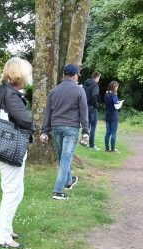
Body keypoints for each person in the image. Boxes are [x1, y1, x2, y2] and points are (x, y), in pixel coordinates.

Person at [0, 57, 36, 249]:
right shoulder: (10, 94)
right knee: (12, 192)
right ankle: (4, 238)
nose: (29, 77)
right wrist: (34, 124)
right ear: (20, 74)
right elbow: (25, 120)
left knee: (15, 191)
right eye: (28, 73)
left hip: (3, 147)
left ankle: (7, 230)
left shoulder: (4, 91)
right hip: (10, 148)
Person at [40, 64, 90, 200]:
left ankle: (69, 181)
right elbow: (84, 112)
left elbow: (47, 113)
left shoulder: (53, 91)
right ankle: (58, 191)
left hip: (56, 127)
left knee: (63, 158)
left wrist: (44, 131)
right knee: (65, 159)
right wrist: (86, 132)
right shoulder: (79, 91)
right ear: (75, 76)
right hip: (71, 128)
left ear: (63, 75)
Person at [83, 71, 101, 150]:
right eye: (99, 78)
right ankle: (92, 145)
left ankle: (84, 141)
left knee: (87, 126)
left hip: (85, 107)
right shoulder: (95, 85)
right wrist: (95, 105)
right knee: (93, 127)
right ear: (97, 77)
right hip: (92, 108)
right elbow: (94, 95)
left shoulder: (85, 84)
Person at [103, 81, 122, 153]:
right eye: (117, 87)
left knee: (108, 133)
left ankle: (107, 148)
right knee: (113, 133)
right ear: (114, 87)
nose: (117, 88)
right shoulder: (114, 96)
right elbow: (116, 106)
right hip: (114, 116)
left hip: (107, 115)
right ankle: (113, 149)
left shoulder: (106, 95)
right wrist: (120, 103)